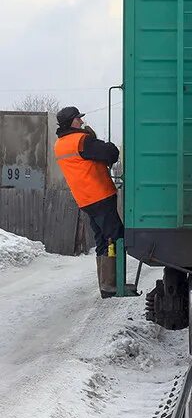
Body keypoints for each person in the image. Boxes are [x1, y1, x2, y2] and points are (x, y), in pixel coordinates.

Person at [54, 106, 129, 298]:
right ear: (71, 121)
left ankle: (106, 285)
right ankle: (114, 284)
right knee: (116, 236)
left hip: (85, 200)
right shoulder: (81, 140)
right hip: (100, 195)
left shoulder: (60, 144)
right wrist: (105, 144)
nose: (81, 121)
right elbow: (111, 154)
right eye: (78, 118)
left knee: (102, 239)